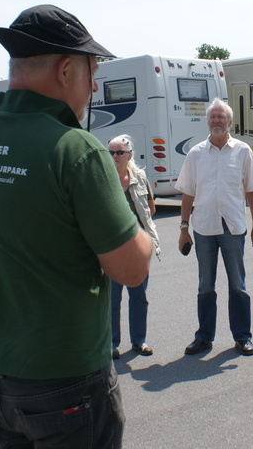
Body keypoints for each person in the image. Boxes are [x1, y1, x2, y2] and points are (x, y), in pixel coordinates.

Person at [0, 4, 153, 449]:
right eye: (93, 72)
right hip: (67, 381)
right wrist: (134, 218)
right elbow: (131, 268)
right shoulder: (76, 150)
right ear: (66, 70)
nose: (94, 87)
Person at [176, 97, 253, 357]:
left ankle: (242, 337)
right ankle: (204, 337)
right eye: (212, 117)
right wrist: (184, 229)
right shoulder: (195, 153)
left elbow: (252, 190)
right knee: (205, 286)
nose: (216, 121)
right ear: (207, 121)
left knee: (238, 286)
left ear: (230, 122)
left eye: (220, 117)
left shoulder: (243, 151)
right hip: (203, 229)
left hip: (233, 229)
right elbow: (188, 194)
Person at [106, 134, 161, 360]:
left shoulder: (140, 177)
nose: (115, 156)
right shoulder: (102, 179)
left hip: (137, 250)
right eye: (111, 152)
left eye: (119, 152)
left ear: (129, 155)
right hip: (111, 250)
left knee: (139, 297)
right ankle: (111, 344)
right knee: (112, 300)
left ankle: (139, 341)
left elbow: (151, 209)